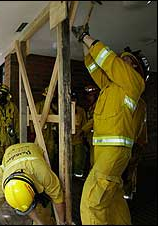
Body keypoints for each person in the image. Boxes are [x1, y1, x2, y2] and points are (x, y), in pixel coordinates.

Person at [72, 24, 146, 224]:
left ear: (136, 69)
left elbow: (108, 60)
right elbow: (94, 65)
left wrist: (88, 37)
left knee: (91, 202)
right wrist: (83, 43)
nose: (122, 60)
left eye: (128, 61)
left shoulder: (135, 83)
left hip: (114, 151)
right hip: (103, 151)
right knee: (111, 199)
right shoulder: (110, 86)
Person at [0, 143, 66, 225]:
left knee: (42, 204)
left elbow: (58, 199)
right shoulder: (4, 182)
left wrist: (62, 222)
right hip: (10, 156)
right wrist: (40, 222)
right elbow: (26, 206)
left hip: (31, 151)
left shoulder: (44, 174)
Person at [122, 91, 147, 200]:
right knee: (130, 169)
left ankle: (126, 193)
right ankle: (128, 191)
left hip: (132, 141)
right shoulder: (140, 103)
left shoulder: (137, 103)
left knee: (129, 169)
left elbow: (136, 124)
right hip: (134, 141)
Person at [29, 86, 59, 175]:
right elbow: (32, 120)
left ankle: (50, 173)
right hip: (41, 135)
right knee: (40, 155)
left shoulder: (55, 107)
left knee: (51, 156)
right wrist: (32, 132)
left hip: (52, 137)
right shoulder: (39, 106)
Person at [81, 84, 99, 170]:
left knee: (94, 159)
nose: (88, 98)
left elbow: (93, 120)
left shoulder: (98, 106)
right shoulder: (91, 107)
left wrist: (82, 130)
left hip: (97, 137)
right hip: (91, 137)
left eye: (90, 95)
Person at [71, 91, 88, 178]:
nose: (73, 101)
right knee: (68, 158)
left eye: (74, 99)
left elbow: (85, 123)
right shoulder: (64, 110)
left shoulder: (81, 111)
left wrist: (83, 134)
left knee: (78, 158)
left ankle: (77, 176)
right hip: (67, 139)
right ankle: (68, 175)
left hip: (78, 138)